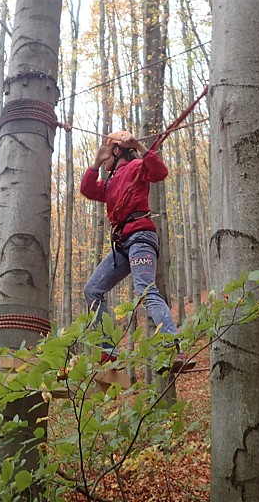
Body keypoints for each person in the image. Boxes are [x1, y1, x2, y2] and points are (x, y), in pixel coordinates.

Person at [80, 130, 195, 373]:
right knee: (93, 289)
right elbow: (88, 190)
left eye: (106, 152)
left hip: (141, 236)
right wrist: (97, 162)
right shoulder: (110, 183)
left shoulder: (136, 167)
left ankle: (173, 347)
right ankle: (108, 351)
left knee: (145, 290)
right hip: (122, 243)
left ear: (116, 150)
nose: (104, 159)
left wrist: (141, 148)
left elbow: (159, 173)